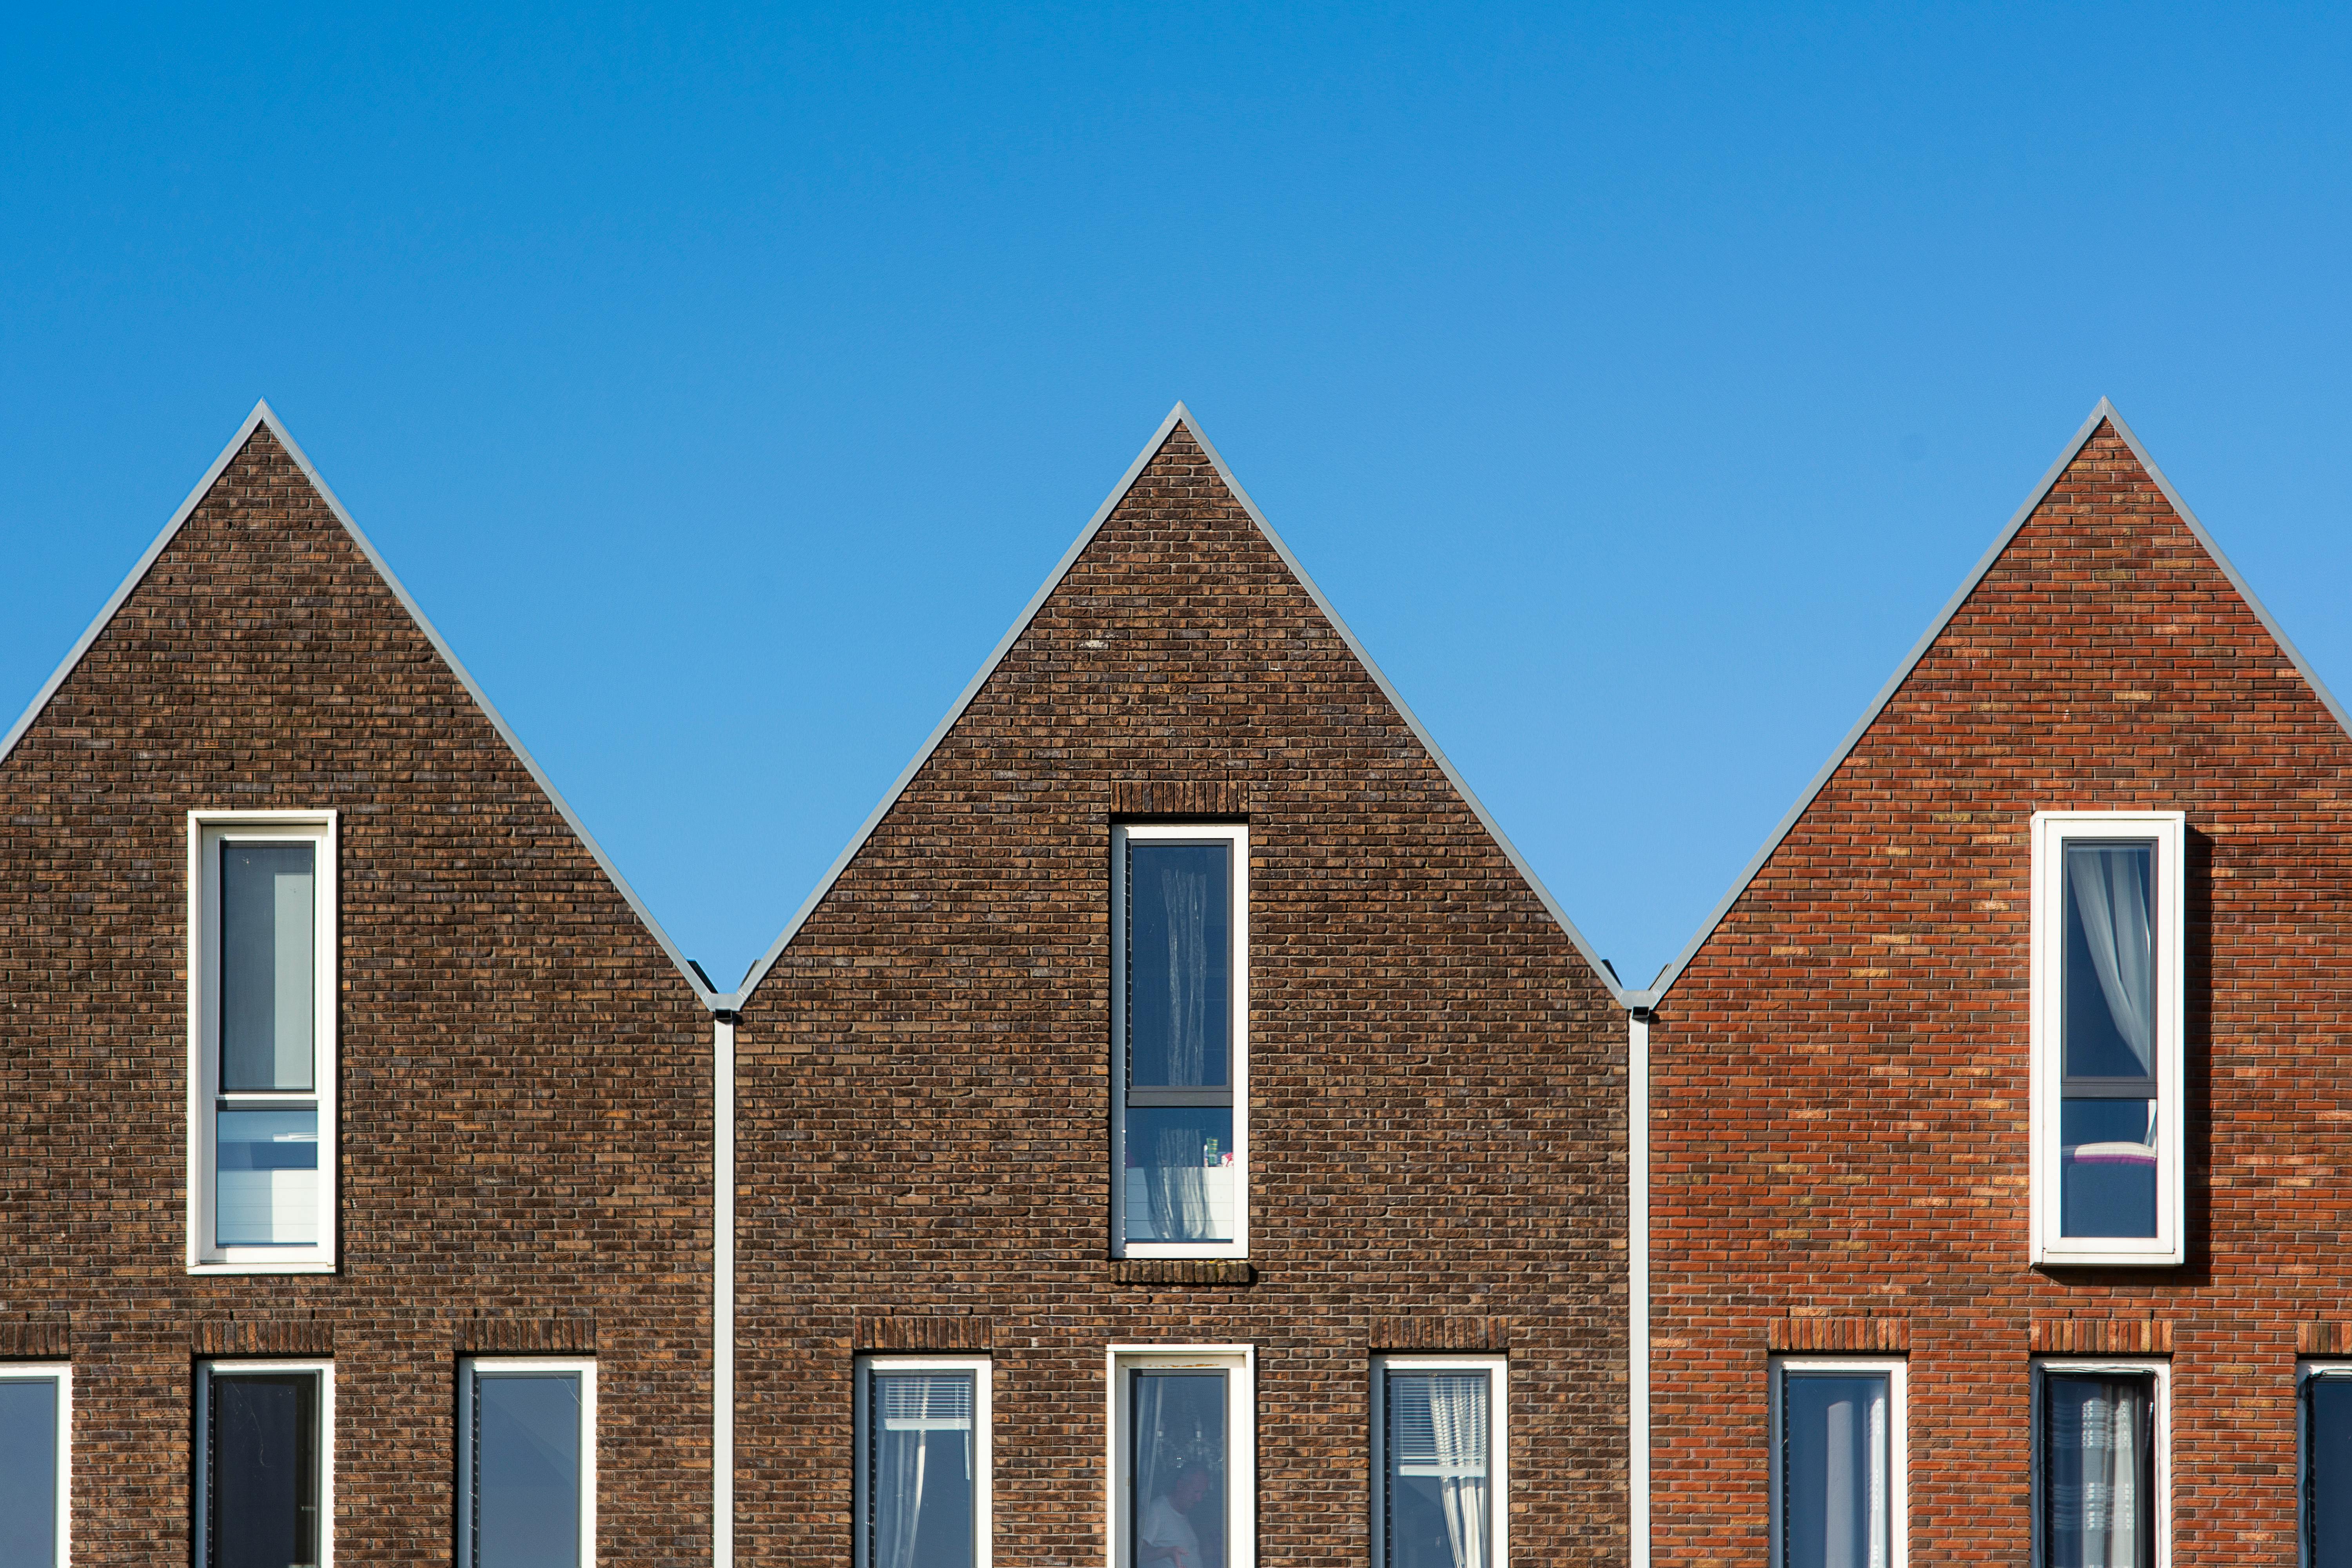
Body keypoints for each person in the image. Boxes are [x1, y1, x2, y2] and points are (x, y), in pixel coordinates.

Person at [1138, 1464, 1215, 1568]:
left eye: (1202, 1493)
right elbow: (1137, 1554)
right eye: (1196, 1491)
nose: (1199, 1499)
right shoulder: (1157, 1510)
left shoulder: (1186, 1513)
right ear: (1180, 1485)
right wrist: (1167, 1552)